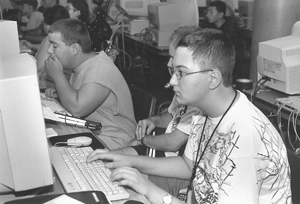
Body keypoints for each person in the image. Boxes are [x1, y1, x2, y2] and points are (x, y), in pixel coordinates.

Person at [87, 28, 291, 203]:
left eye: (181, 73)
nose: (173, 81)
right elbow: (187, 165)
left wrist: (149, 189)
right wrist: (126, 160)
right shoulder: (205, 112)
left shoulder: (244, 136)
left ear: (213, 79)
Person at [44, 19, 136, 149]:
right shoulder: (81, 66)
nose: (49, 51)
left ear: (75, 48)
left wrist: (58, 76)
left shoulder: (99, 69)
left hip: (114, 140)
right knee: (44, 132)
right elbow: (81, 95)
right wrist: (60, 92)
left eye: (54, 46)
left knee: (47, 145)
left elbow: (77, 109)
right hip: (93, 132)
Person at [125, 26, 201, 157]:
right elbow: (175, 115)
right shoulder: (180, 83)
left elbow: (173, 142)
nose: (168, 63)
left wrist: (142, 140)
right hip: (166, 149)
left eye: (172, 57)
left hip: (175, 157)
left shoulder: (194, 94)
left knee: (116, 159)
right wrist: (154, 121)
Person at [24, 5, 70, 88]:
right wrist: (32, 46)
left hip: (45, 86)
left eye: (43, 22)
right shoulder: (67, 37)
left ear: (48, 25)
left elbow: (38, 69)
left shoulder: (49, 39)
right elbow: (47, 52)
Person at [206, 0, 247, 81]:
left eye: (211, 12)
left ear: (221, 14)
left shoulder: (230, 32)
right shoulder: (211, 28)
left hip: (230, 70)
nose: (207, 15)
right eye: (207, 12)